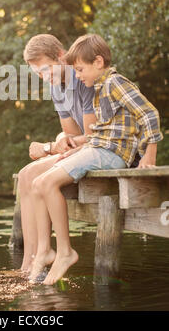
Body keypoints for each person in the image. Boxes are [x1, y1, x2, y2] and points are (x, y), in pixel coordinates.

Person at [29, 33, 163, 285]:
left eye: (80, 70)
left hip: (111, 154)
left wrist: (149, 155)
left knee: (46, 184)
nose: (77, 76)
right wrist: (75, 146)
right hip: (99, 149)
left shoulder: (115, 83)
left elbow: (150, 114)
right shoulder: (100, 89)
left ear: (98, 62)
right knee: (37, 184)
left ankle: (66, 252)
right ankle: (46, 250)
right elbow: (104, 132)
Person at [18, 34, 96, 274]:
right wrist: (60, 142)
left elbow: (93, 135)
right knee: (25, 175)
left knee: (35, 173)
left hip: (98, 148)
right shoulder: (56, 87)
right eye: (38, 73)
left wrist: (51, 147)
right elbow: (70, 135)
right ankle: (30, 260)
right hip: (80, 147)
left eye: (46, 69)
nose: (44, 77)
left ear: (61, 57)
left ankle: (41, 255)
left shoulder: (83, 79)